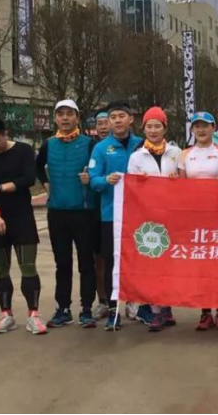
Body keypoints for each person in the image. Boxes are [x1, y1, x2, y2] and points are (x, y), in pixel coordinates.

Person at [0, 118, 45, 335]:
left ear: (5, 134)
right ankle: (6, 314)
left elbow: (28, 179)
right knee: (0, 269)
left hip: (21, 216)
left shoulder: (23, 151)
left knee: (28, 266)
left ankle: (33, 315)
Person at [37, 100, 99, 329]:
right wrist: (46, 186)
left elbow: (98, 170)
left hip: (83, 212)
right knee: (62, 263)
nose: (65, 118)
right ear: (55, 119)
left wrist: (90, 178)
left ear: (77, 117)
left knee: (86, 263)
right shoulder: (48, 144)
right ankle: (63, 309)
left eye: (69, 114)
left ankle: (86, 309)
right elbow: (37, 167)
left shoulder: (89, 144)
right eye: (60, 114)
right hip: (57, 213)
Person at [89, 101, 144, 331]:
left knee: (140, 259)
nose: (118, 120)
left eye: (122, 116)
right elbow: (93, 179)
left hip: (141, 215)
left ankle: (138, 303)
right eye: (113, 117)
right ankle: (113, 309)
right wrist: (106, 180)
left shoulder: (142, 144)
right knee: (112, 262)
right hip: (111, 215)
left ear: (130, 119)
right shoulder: (101, 148)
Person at [126, 106, 182, 332]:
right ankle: (156, 311)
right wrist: (140, 183)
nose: (153, 130)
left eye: (157, 126)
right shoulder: (136, 157)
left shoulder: (176, 153)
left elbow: (185, 181)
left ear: (165, 128)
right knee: (152, 264)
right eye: (149, 126)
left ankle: (167, 307)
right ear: (143, 129)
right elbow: (131, 186)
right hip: (148, 219)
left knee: (170, 265)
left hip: (172, 216)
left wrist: (178, 180)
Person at [177, 112, 218, 331]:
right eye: (197, 126)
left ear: (213, 128)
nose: (201, 130)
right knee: (201, 266)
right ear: (192, 130)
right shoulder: (185, 154)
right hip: (196, 219)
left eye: (205, 126)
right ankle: (205, 312)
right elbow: (180, 188)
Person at [92, 108, 111, 320]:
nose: (104, 126)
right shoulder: (91, 147)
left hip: (125, 211)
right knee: (100, 259)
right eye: (100, 123)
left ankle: (132, 300)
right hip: (96, 211)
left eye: (107, 122)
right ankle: (103, 301)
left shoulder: (135, 146)